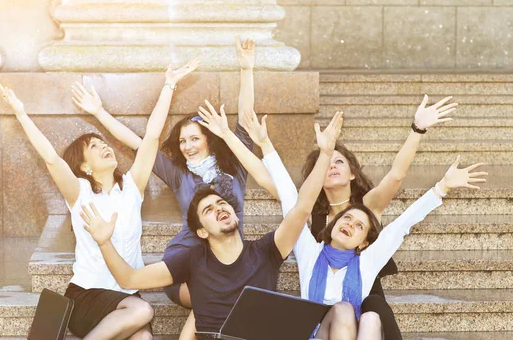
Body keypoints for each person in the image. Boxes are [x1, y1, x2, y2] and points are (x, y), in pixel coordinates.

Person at [71, 37, 277, 339]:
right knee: (215, 291)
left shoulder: (234, 166)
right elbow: (139, 144)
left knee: (229, 290)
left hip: (231, 258)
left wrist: (246, 69)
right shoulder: (179, 175)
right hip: (186, 262)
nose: (187, 146)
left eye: (194, 138)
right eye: (182, 141)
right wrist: (99, 112)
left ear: (209, 137)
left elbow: (246, 118)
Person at [79, 114, 343, 339]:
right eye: (209, 209)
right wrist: (103, 242)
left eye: (222, 204)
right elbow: (129, 279)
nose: (220, 208)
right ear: (201, 232)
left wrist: (326, 154)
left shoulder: (266, 252)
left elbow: (302, 209)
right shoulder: (191, 261)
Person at [0, 59, 197, 340]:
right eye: (95, 147)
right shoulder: (79, 193)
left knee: (145, 338)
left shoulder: (132, 189)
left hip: (126, 296)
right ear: (85, 167)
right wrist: (21, 113)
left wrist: (169, 85)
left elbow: (150, 137)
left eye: (104, 143)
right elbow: (51, 159)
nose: (105, 147)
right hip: (87, 297)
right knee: (144, 312)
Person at [259, 112, 487, 339]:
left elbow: (403, 223)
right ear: (333, 224)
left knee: (370, 318)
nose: (350, 224)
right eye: (346, 219)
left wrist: (442, 187)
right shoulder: (310, 252)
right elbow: (291, 201)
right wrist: (264, 143)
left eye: (359, 226)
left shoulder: (367, 262)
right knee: (344, 309)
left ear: (364, 243)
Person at [300, 95, 458, 339]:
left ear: (353, 173)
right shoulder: (309, 217)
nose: (332, 166)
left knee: (372, 310)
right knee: (344, 311)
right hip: (322, 312)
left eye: (339, 161)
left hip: (361, 284)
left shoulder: (366, 207)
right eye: (326, 164)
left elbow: (396, 178)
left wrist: (417, 130)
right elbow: (281, 189)